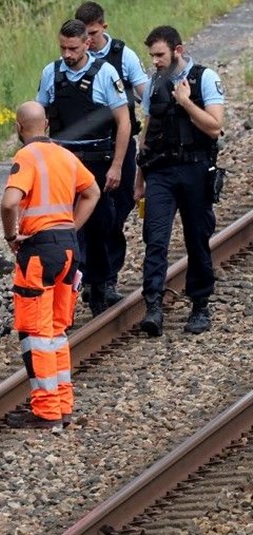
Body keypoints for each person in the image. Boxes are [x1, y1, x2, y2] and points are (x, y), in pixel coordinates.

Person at [0, 101, 101, 429]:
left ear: (19, 128)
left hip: (39, 252)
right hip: (68, 250)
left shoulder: (26, 157)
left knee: (36, 333)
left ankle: (46, 413)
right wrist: (71, 226)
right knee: (57, 331)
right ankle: (63, 405)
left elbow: (9, 202)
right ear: (46, 126)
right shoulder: (66, 155)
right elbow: (93, 192)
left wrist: (11, 235)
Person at [134, 26, 225, 336]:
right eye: (152, 56)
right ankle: (153, 306)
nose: (155, 61)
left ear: (178, 50)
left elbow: (214, 127)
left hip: (196, 170)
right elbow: (146, 132)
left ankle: (200, 305)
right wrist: (139, 178)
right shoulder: (154, 84)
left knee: (197, 237)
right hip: (160, 171)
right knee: (155, 238)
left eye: (160, 55)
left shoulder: (204, 78)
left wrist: (186, 102)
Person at [36, 18, 130, 316]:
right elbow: (39, 117)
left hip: (97, 163)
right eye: (63, 47)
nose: (67, 54)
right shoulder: (51, 73)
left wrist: (117, 165)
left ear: (86, 44)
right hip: (63, 162)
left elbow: (123, 122)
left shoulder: (106, 73)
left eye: (73, 48)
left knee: (100, 226)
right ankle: (69, 289)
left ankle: (99, 284)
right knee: (65, 230)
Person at [75, 2, 151, 306]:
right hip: (85, 153)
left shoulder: (123, 55)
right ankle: (95, 278)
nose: (89, 41)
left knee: (116, 212)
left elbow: (146, 93)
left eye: (93, 33)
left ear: (103, 27)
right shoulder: (73, 60)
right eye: (85, 35)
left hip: (118, 146)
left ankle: (105, 275)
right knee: (86, 216)